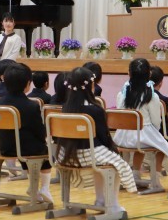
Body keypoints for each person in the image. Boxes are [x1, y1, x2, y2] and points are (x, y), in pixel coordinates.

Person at [56, 67, 137, 211]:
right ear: (90, 86)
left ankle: (99, 200)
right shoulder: (95, 109)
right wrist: (113, 150)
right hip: (88, 154)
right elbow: (104, 136)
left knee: (103, 162)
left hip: (65, 154)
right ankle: (112, 204)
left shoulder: (66, 108)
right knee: (117, 163)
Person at [0, 63, 53, 203]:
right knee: (45, 154)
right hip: (26, 150)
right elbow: (40, 131)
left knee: (27, 151)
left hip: (5, 148)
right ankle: (44, 188)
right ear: (28, 84)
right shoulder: (32, 106)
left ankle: (33, 188)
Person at [113, 58, 168, 187]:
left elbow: (120, 116)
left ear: (129, 73)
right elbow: (156, 122)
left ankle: (135, 174)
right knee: (163, 147)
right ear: (149, 75)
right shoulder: (151, 96)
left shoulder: (122, 93)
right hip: (142, 134)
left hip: (121, 137)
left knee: (140, 145)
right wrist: (154, 133)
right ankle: (155, 181)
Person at [0, 12, 22, 96]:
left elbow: (13, 55)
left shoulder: (17, 38)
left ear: (14, 24)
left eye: (10, 21)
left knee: (5, 92)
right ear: (2, 23)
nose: (8, 24)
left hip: (7, 70)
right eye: (6, 21)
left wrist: (3, 67)